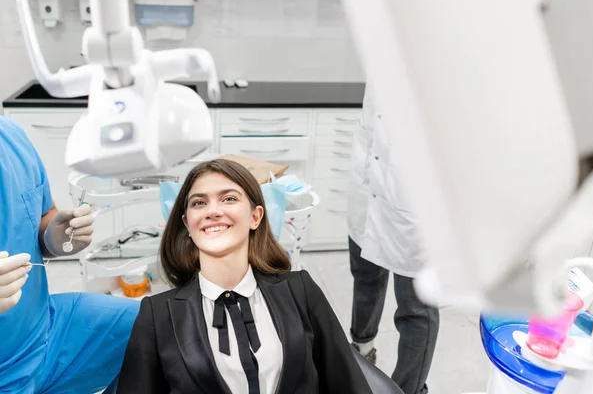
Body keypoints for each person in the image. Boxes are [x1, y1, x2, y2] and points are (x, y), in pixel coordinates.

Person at [117, 159, 373, 394]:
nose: (212, 211)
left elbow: (348, 383)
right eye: (199, 202)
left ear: (255, 217)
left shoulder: (300, 290)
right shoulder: (157, 313)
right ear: (187, 224)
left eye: (228, 199)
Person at [0, 116, 140, 393]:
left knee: (159, 329)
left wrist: (54, 236)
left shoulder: (11, 137)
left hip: (46, 331)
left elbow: (41, 216)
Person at [347, 86, 440, 394]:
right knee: (365, 275)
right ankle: (361, 348)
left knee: (416, 307)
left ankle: (408, 390)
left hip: (417, 200)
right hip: (368, 185)